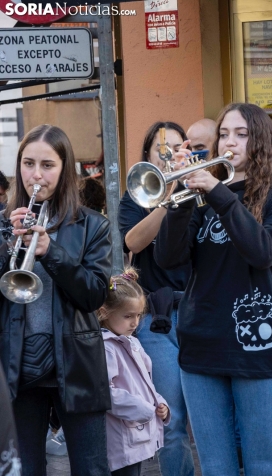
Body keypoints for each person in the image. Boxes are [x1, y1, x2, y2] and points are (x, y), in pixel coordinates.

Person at [154, 103, 272, 475]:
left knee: (259, 466)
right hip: (202, 344)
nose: (230, 142)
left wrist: (218, 192)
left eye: (241, 134)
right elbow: (168, 259)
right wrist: (177, 197)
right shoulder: (199, 198)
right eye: (224, 134)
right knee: (216, 467)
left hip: (259, 351)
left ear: (261, 141)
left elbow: (264, 252)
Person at [1, 124, 113, 474]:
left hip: (76, 364)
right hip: (17, 367)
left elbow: (94, 295)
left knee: (91, 467)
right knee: (24, 469)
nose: (36, 175)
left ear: (65, 169)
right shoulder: (3, 224)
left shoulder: (93, 226)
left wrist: (52, 252)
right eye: (28, 163)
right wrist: (5, 245)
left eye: (47, 165)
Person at [118, 121, 195, 476]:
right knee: (171, 417)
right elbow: (133, 243)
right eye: (160, 151)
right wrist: (171, 197)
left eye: (176, 148)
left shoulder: (203, 189)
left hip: (199, 311)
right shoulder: (135, 196)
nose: (168, 155)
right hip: (156, 319)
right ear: (147, 156)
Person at [99, 269, 170, 476]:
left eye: (139, 315)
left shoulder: (133, 342)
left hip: (136, 433)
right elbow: (106, 392)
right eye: (128, 316)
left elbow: (146, 383)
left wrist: (159, 402)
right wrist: (146, 409)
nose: (135, 322)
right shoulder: (106, 347)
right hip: (121, 437)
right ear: (105, 312)